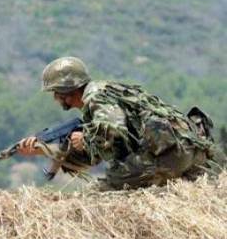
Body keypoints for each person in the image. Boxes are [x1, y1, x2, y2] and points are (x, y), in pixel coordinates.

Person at [17, 57, 225, 190]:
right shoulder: (108, 93)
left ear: (66, 91)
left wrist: (86, 138)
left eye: (55, 92)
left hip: (166, 155)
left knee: (96, 196)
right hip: (187, 150)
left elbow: (115, 129)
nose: (54, 98)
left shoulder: (96, 97)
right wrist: (42, 150)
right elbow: (92, 159)